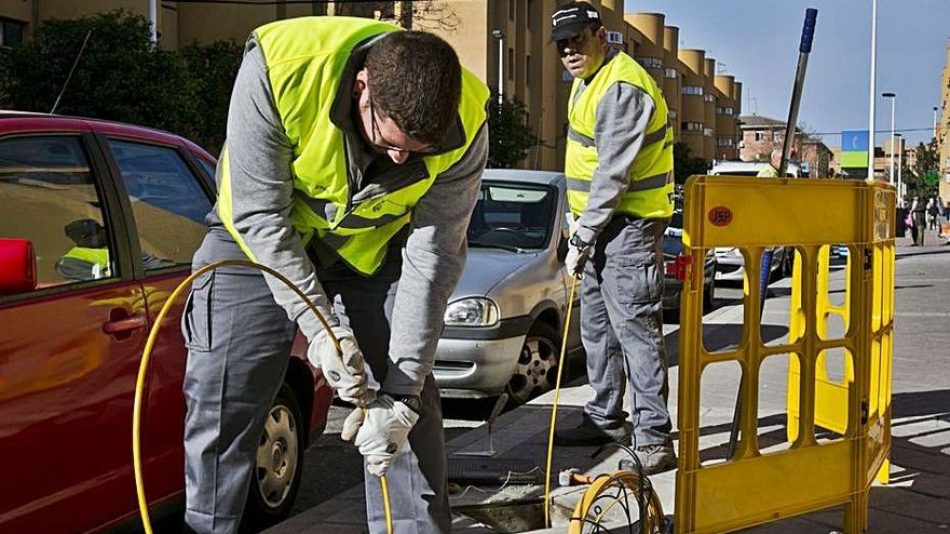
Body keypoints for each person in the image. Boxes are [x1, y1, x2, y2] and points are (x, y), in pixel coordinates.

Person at [180, 17, 489, 534]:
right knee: (223, 396)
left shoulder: (469, 120)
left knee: (406, 406)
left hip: (371, 248)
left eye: (417, 150)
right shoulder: (281, 68)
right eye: (391, 141)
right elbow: (261, 216)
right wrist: (322, 331)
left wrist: (403, 394)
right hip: (258, 241)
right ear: (361, 88)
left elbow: (434, 254)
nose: (399, 158)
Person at [549, 1, 676, 475]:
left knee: (635, 332)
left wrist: (581, 236)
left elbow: (612, 175)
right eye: (562, 46)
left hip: (629, 227)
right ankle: (605, 417)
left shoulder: (621, 87)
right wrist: (579, 230)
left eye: (577, 41)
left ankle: (654, 437)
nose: (568, 52)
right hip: (602, 227)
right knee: (597, 329)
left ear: (601, 36)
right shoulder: (587, 82)